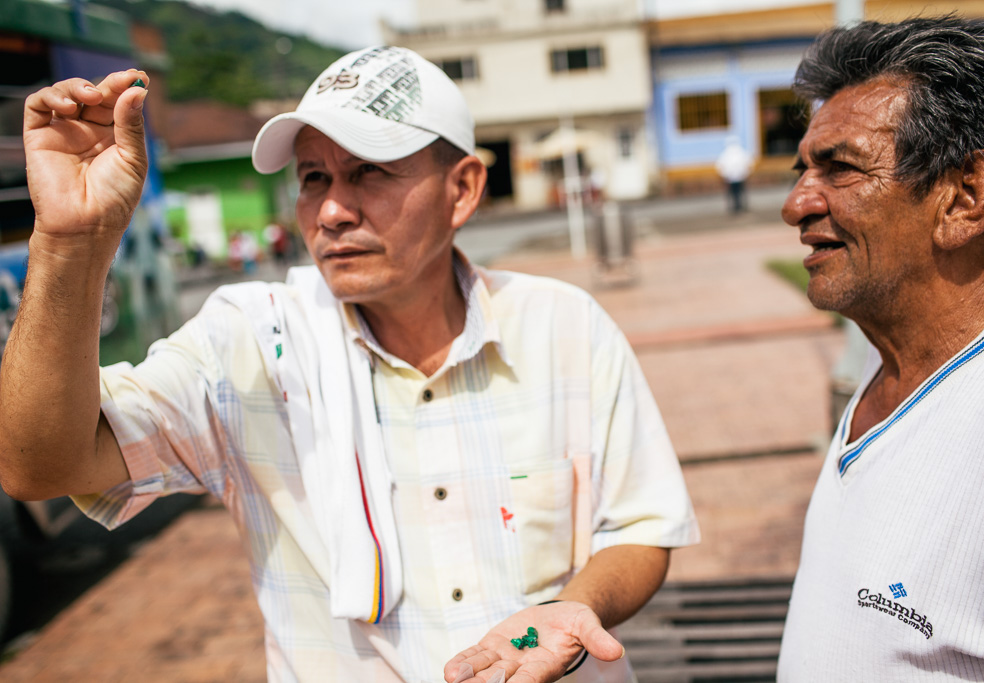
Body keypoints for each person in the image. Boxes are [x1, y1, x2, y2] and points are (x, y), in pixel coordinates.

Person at [2, 46, 698, 682]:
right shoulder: (255, 341)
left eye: (369, 172)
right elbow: (38, 465)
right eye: (313, 177)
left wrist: (572, 608)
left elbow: (640, 528)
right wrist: (71, 240)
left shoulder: (562, 325)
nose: (331, 209)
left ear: (462, 189)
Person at [776, 17, 984, 679]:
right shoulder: (890, 345)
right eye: (802, 168)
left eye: (840, 169)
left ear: (964, 196)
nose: (795, 203)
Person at [714, 136, 753, 214]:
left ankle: (735, 207)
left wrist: (724, 176)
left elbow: (719, 166)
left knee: (733, 193)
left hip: (731, 178)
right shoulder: (741, 152)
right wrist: (746, 173)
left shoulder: (725, 154)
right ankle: (741, 206)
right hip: (740, 177)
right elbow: (749, 163)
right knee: (740, 192)